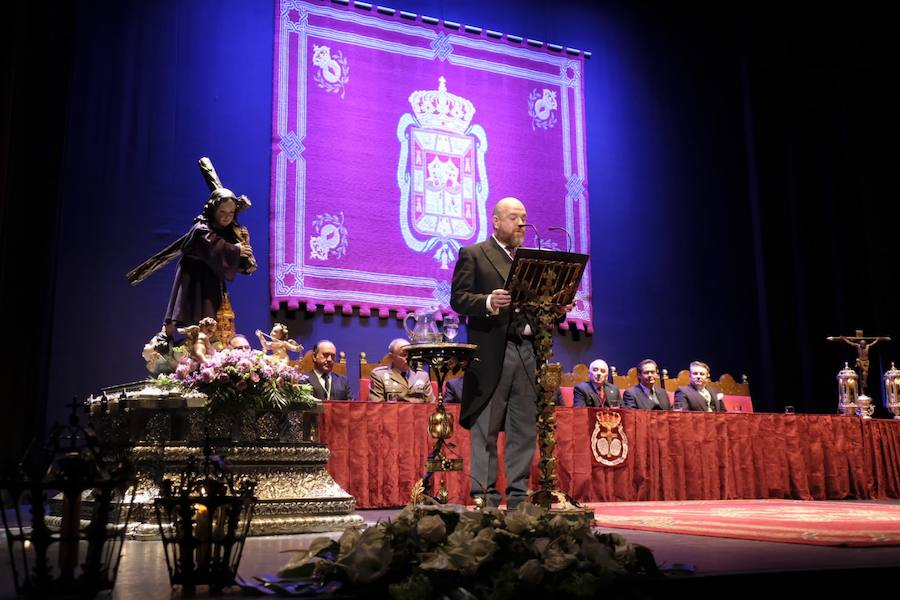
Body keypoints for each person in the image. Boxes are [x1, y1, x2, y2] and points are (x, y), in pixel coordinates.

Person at [450, 196, 541, 509]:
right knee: (485, 428)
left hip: (528, 350)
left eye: (524, 218)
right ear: (496, 221)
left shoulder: (531, 261)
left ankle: (518, 499)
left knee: (524, 427)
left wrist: (557, 305)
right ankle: (484, 499)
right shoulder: (474, 254)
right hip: (493, 352)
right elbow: (458, 299)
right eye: (514, 218)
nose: (521, 224)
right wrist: (487, 302)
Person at [127, 187, 255, 338]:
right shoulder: (201, 228)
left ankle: (210, 342)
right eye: (222, 212)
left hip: (211, 276)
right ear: (213, 208)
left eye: (231, 213)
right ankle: (166, 340)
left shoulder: (224, 230)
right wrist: (235, 250)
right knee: (182, 308)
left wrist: (244, 247)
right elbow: (214, 246)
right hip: (193, 274)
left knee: (212, 312)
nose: (227, 217)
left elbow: (228, 252)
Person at [368, 339, 434, 403]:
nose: (408, 359)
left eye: (410, 355)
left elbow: (431, 405)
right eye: (404, 355)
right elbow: (377, 407)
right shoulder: (379, 375)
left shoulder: (422, 375)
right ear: (391, 357)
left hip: (419, 413)